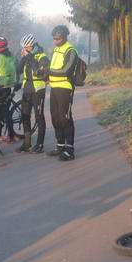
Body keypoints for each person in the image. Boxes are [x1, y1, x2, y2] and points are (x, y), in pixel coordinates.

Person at [47, 25, 78, 161]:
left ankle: (69, 149)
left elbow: (66, 71)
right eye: (54, 39)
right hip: (54, 88)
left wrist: (49, 71)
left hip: (65, 88)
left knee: (65, 117)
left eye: (58, 39)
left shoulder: (71, 51)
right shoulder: (56, 50)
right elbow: (52, 68)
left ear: (65, 37)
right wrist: (45, 74)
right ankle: (60, 145)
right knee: (55, 117)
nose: (55, 41)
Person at [15, 33, 50, 153]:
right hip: (27, 89)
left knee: (39, 116)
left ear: (33, 45)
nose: (25, 49)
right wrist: (23, 58)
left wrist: (29, 57)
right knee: (25, 116)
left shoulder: (42, 56)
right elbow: (18, 70)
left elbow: (40, 73)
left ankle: (40, 144)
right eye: (24, 48)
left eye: (27, 47)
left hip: (38, 89)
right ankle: (27, 143)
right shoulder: (27, 55)